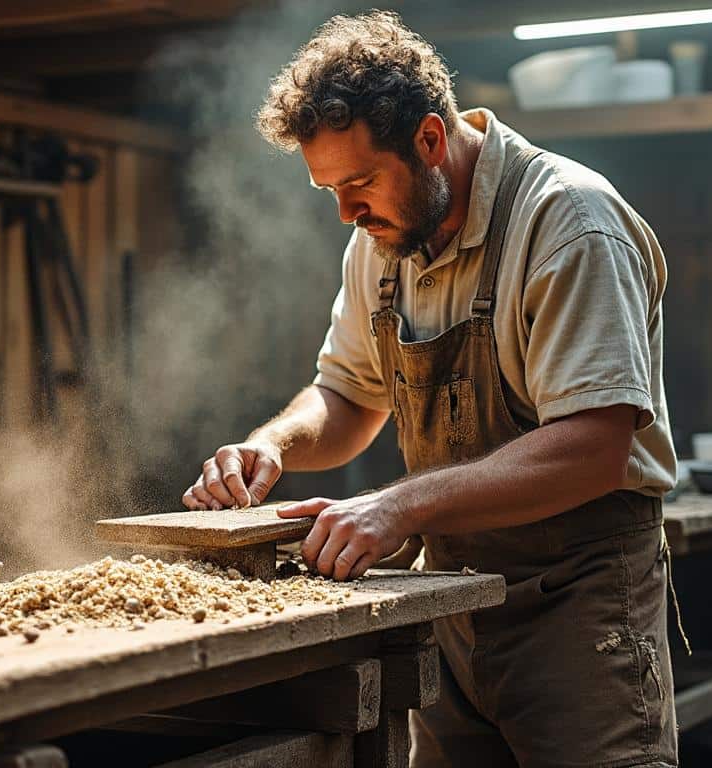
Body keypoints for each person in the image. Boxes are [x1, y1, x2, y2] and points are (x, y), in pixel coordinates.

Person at [183, 11, 679, 767]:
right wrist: (271, 445)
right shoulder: (381, 242)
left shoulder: (569, 221)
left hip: (579, 602)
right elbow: (348, 397)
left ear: (429, 140)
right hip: (450, 601)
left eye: (359, 184)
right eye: (331, 192)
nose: (348, 213)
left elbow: (595, 446)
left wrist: (399, 504)